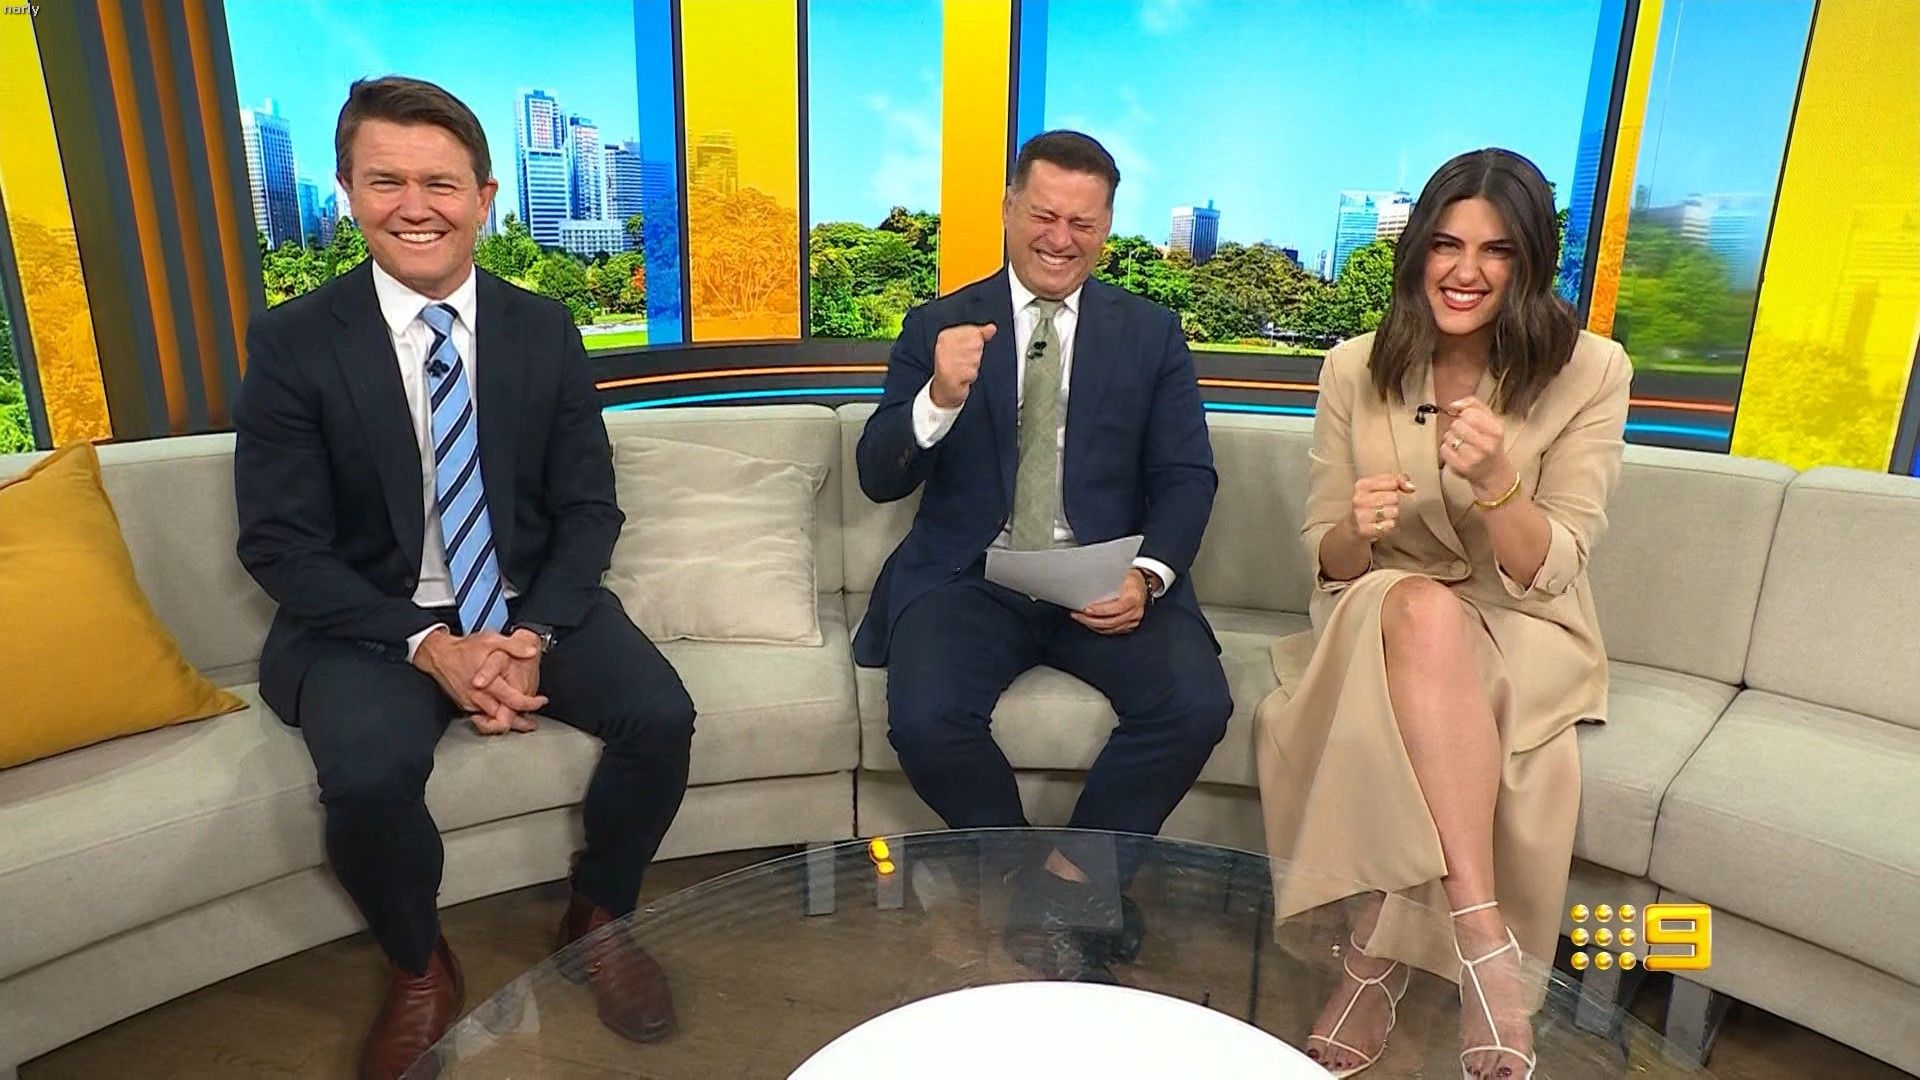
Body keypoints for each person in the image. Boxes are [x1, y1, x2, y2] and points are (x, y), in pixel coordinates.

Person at [233, 77, 694, 1079]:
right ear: (349, 193)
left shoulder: (544, 328)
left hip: (527, 598)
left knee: (661, 715)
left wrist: (533, 636)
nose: (415, 207)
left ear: (484, 196)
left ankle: (599, 915)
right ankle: (417, 964)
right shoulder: (293, 343)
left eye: (440, 183)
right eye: (386, 181)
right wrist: (428, 644)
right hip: (369, 618)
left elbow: (589, 509)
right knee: (366, 774)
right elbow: (279, 545)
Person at [1253, 148, 1631, 1080]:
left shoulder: (1590, 370)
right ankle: (1485, 942)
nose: (1466, 272)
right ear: (1417, 249)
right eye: (1447, 245)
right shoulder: (1353, 368)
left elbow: (1556, 565)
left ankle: (1372, 964)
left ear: (1529, 264)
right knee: (1417, 611)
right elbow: (1328, 559)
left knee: (1421, 681)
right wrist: (1356, 529)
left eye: (1497, 251)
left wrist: (1499, 484)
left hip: (1520, 623)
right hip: (1382, 612)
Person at [854, 130, 1233, 981]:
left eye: (1082, 223)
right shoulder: (938, 325)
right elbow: (878, 475)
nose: (1061, 239)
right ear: (1008, 209)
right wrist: (936, 398)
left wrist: (1147, 576)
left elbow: (1185, 478)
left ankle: (1064, 883)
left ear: (1107, 228)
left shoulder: (1152, 335)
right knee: (924, 720)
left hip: (1101, 574)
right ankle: (1050, 887)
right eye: (1044, 215)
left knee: (1195, 702)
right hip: (970, 576)